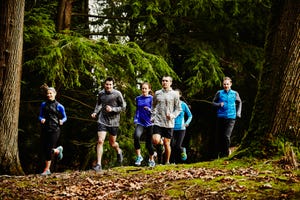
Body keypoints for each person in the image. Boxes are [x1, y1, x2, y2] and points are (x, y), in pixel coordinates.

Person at [91, 77, 126, 172]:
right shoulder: (101, 93)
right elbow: (98, 104)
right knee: (100, 140)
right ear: (104, 85)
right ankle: (99, 164)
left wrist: (113, 109)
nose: (108, 86)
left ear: (113, 85)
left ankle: (119, 151)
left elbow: (123, 107)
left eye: (110, 84)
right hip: (102, 120)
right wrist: (95, 112)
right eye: (107, 84)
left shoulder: (117, 94)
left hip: (114, 122)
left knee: (112, 143)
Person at [152, 76, 181, 165]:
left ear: (170, 83)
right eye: (163, 81)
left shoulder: (175, 94)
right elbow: (153, 105)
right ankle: (160, 144)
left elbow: (178, 109)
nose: (164, 82)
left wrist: (172, 115)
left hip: (168, 123)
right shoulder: (157, 93)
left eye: (166, 81)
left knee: (167, 143)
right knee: (155, 140)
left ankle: (167, 162)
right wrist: (153, 115)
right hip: (158, 121)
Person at [39, 86, 67, 176]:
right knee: (44, 148)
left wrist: (62, 121)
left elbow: (65, 117)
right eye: (48, 93)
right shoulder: (43, 104)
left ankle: (47, 170)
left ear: (55, 94)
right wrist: (41, 119)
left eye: (51, 93)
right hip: (45, 129)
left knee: (48, 149)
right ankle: (57, 151)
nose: (49, 95)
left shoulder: (59, 106)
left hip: (55, 129)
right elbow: (40, 115)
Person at [212, 76, 242, 158]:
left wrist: (238, 112)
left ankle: (227, 152)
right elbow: (213, 103)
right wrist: (219, 104)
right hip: (221, 117)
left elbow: (239, 102)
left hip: (231, 117)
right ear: (222, 84)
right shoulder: (219, 93)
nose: (226, 86)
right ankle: (220, 153)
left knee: (226, 135)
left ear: (231, 84)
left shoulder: (235, 93)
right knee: (220, 136)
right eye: (224, 84)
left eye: (227, 84)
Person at [133, 82, 156, 167]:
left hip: (150, 123)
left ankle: (151, 160)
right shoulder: (138, 98)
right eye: (142, 88)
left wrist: (149, 110)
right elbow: (137, 110)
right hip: (140, 122)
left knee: (149, 143)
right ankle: (139, 156)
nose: (144, 90)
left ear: (149, 89)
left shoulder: (152, 98)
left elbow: (155, 111)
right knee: (136, 136)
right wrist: (135, 119)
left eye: (146, 88)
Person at [170, 89, 193, 163]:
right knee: (172, 145)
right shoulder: (170, 105)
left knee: (177, 146)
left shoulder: (183, 105)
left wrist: (187, 123)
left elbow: (190, 115)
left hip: (181, 128)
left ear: (180, 95)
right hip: (172, 128)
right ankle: (172, 162)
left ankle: (183, 149)